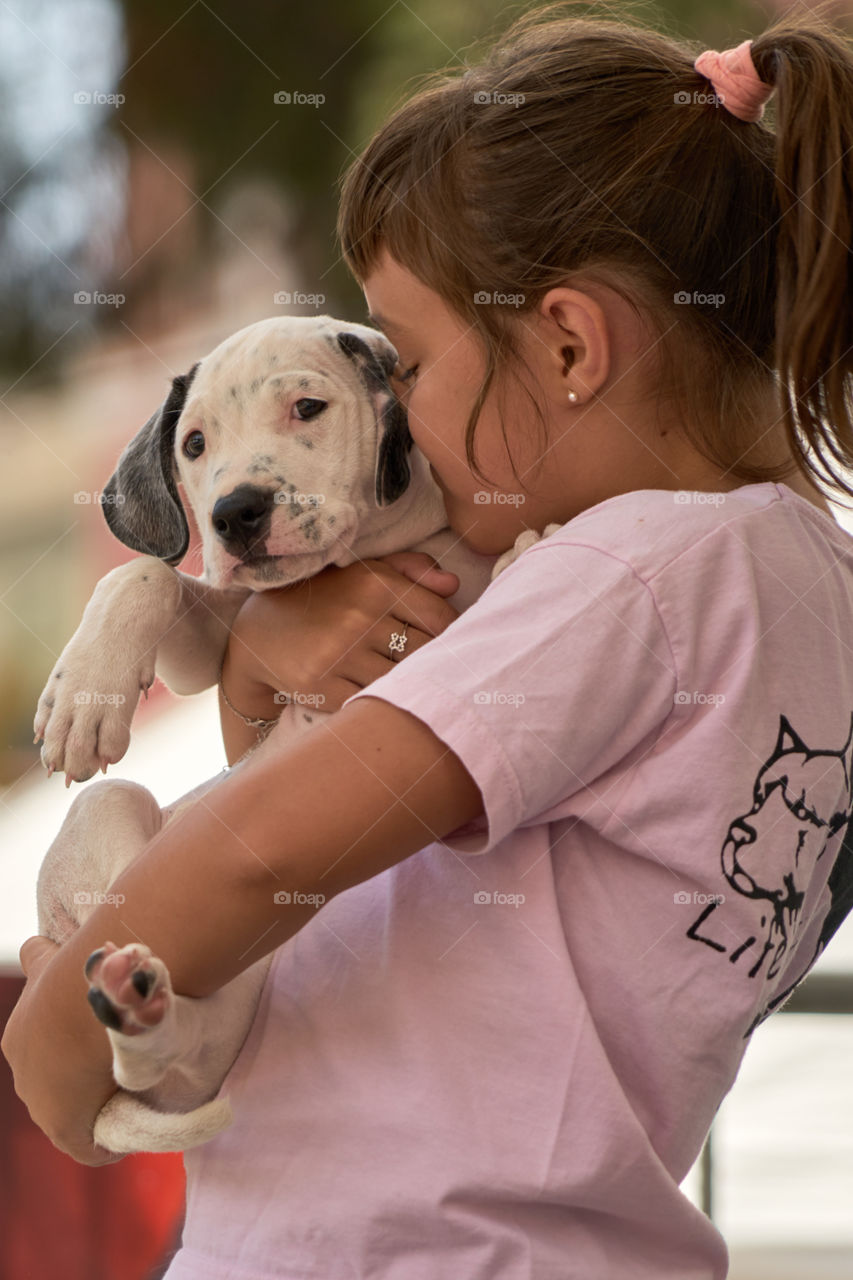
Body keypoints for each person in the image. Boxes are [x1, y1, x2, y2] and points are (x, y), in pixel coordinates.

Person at [6, 5, 853, 1276]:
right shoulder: (797, 579)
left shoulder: (637, 570)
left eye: (405, 362)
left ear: (567, 343)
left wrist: (51, 1051)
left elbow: (254, 856)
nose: (397, 415)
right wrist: (259, 660)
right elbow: (370, 871)